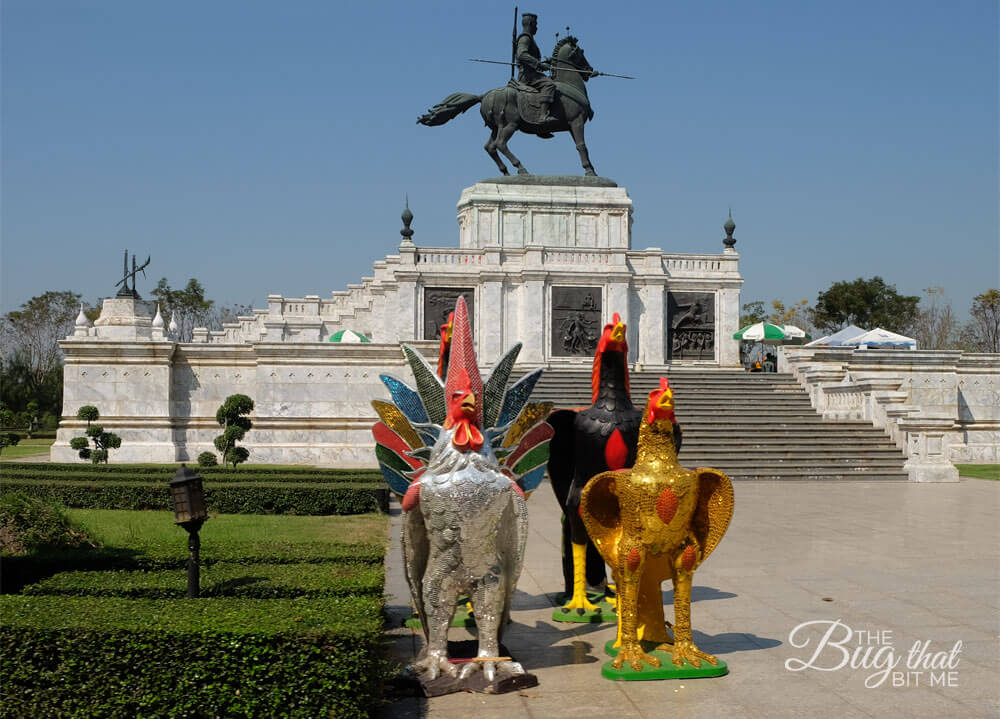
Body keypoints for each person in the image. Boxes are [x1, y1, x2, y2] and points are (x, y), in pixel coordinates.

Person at [516, 13, 559, 124]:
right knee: (549, 84)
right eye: (536, 24)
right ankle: (542, 116)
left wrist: (544, 62)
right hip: (527, 75)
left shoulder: (529, 38)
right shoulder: (525, 38)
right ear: (530, 24)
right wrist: (538, 64)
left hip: (531, 73)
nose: (537, 27)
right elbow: (521, 55)